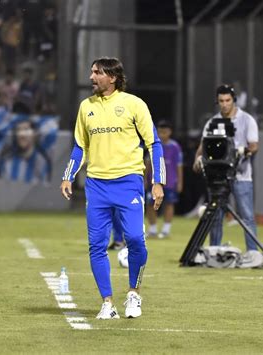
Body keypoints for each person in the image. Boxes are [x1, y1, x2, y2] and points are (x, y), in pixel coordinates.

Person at [60, 57, 165, 319]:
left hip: (128, 182)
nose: (91, 77)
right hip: (96, 185)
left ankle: (134, 294)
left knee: (135, 238)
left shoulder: (134, 104)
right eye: (91, 72)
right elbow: (79, 146)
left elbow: (154, 144)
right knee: (96, 245)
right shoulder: (86, 107)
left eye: (97, 73)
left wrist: (158, 182)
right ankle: (107, 302)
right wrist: (68, 175)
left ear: (113, 77)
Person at [193, 84, 259, 251]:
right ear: (217, 101)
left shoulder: (247, 120)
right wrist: (197, 160)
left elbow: (254, 145)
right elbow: (202, 147)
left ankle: (253, 253)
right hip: (218, 176)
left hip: (241, 175)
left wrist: (241, 152)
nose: (224, 104)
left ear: (234, 100)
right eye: (221, 101)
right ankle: (214, 251)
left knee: (247, 216)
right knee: (216, 216)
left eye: (228, 100)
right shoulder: (212, 122)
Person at [145, 120, 183, 238]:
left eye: (164, 132)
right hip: (154, 181)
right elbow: (147, 163)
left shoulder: (175, 147)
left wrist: (180, 182)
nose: (162, 135)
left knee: (169, 204)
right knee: (150, 204)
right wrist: (146, 179)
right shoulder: (153, 144)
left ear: (170, 132)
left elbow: (179, 165)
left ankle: (166, 230)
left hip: (170, 181)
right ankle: (152, 229)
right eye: (160, 132)